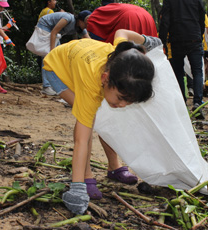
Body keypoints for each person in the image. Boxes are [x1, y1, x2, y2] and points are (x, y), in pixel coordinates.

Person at [42, 29, 160, 214]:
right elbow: (80, 139)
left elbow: (122, 32)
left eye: (129, 101)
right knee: (87, 120)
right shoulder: (91, 87)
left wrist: (148, 40)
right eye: (121, 98)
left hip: (81, 60)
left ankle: (114, 166)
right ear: (105, 79)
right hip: (57, 68)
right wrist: (77, 188)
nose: (123, 105)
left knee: (104, 114)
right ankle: (85, 177)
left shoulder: (121, 55)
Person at [159, 0, 205, 119]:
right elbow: (202, 16)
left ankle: (181, 103)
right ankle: (198, 102)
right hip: (194, 37)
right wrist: (200, 34)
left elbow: (165, 20)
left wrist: (162, 41)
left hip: (177, 39)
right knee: (197, 72)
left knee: (178, 72)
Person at [37, 11, 90, 96]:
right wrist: (51, 51)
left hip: (54, 33)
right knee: (48, 57)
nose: (87, 26)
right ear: (80, 20)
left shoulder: (81, 28)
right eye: (86, 23)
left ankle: (54, 85)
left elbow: (89, 40)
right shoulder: (68, 18)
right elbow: (54, 32)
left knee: (58, 58)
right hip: (45, 26)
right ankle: (46, 87)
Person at [77, 3, 158, 44]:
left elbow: (99, 45)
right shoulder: (104, 11)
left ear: (82, 20)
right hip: (145, 15)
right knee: (149, 49)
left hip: (129, 19)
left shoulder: (92, 19)